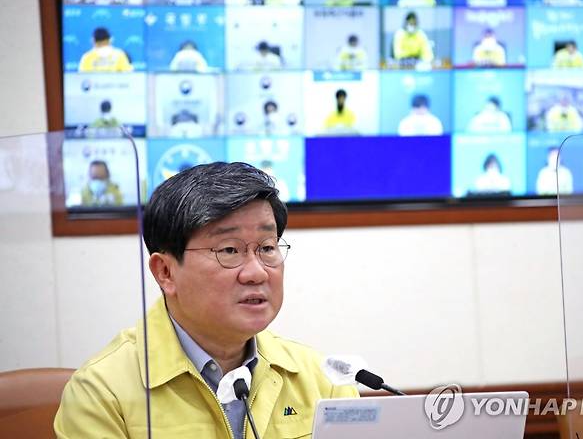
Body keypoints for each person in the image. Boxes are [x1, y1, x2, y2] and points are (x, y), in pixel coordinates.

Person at [55, 162, 358, 438]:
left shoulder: (323, 381)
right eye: (229, 250)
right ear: (165, 272)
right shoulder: (102, 394)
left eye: (267, 247)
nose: (256, 272)